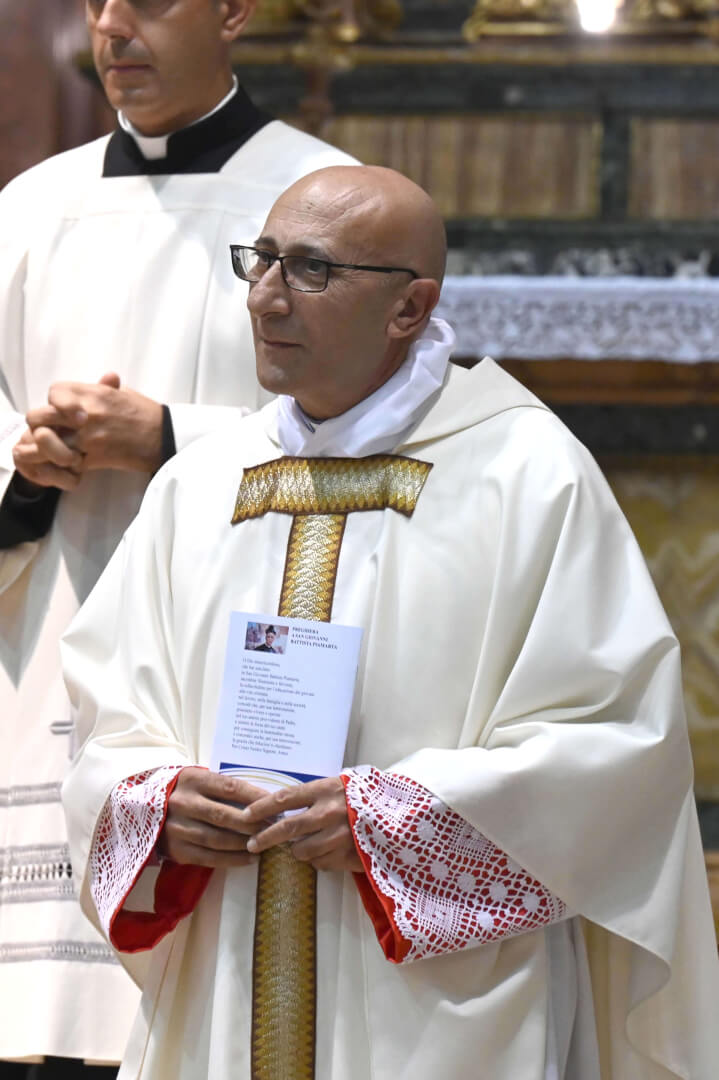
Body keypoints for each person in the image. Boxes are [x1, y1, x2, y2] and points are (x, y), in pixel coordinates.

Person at [62, 166, 719, 1080]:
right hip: (228, 966)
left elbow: (618, 744)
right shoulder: (200, 483)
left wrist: (395, 822)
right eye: (260, 260)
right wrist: (156, 802)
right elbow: (108, 718)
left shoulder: (526, 474)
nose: (265, 296)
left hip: (439, 1005)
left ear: (409, 308)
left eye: (311, 270)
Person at [0, 0, 355, 1067]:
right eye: (97, 2)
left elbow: (375, 432)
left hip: (233, 644)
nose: (112, 28)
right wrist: (23, 468)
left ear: (233, 11)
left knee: (212, 1009)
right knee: (47, 1015)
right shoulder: (31, 205)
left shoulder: (325, 198)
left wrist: (165, 436)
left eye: (149, 1)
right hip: (50, 613)